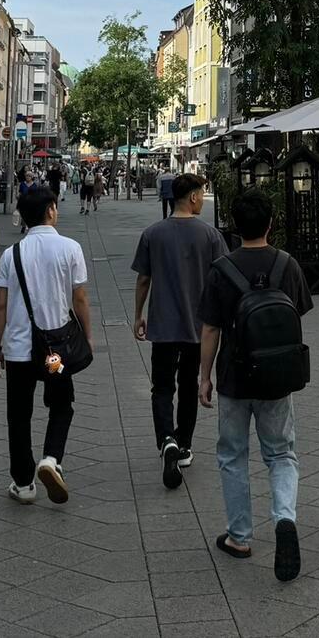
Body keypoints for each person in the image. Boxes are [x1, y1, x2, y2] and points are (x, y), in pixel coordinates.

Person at [199, 189, 313, 582]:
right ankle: (284, 519)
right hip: (277, 377)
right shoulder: (287, 264)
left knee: (233, 455)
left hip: (234, 378)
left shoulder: (221, 269)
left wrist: (204, 377)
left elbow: (210, 329)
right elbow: (294, 315)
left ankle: (239, 536)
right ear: (271, 223)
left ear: (234, 226)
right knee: (281, 454)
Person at [0, 186, 91, 504]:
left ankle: (23, 483)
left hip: (19, 351)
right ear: (50, 210)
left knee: (19, 414)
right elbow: (80, 298)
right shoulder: (70, 248)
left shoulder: (12, 253)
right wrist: (88, 336)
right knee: (61, 403)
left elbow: (1, 305)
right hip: (54, 353)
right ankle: (51, 458)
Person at [132, 173, 228, 489]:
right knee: (188, 385)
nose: (202, 200)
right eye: (201, 193)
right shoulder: (211, 236)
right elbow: (222, 279)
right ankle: (184, 444)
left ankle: (166, 439)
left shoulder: (152, 233)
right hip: (198, 327)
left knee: (161, 386)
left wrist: (138, 315)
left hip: (162, 325)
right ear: (193, 197)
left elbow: (143, 279)